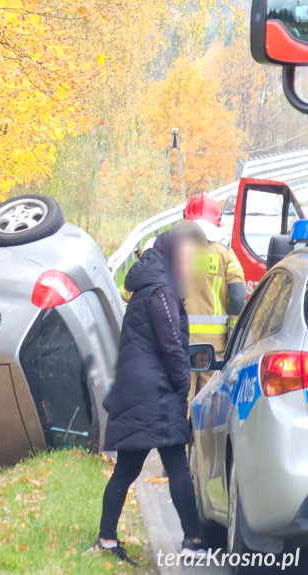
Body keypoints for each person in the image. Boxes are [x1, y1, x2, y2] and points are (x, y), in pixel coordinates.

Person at [89, 225, 207, 563]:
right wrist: (182, 385)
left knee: (127, 469)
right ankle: (193, 541)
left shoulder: (151, 285)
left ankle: (107, 540)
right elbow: (171, 345)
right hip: (155, 391)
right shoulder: (161, 291)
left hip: (138, 389)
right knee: (177, 467)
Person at [182, 193, 247, 403]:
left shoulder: (176, 253)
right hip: (213, 345)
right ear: (216, 222)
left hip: (181, 338)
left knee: (182, 396)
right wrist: (234, 334)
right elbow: (237, 297)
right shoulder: (226, 255)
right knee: (210, 398)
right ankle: (204, 436)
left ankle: (182, 434)